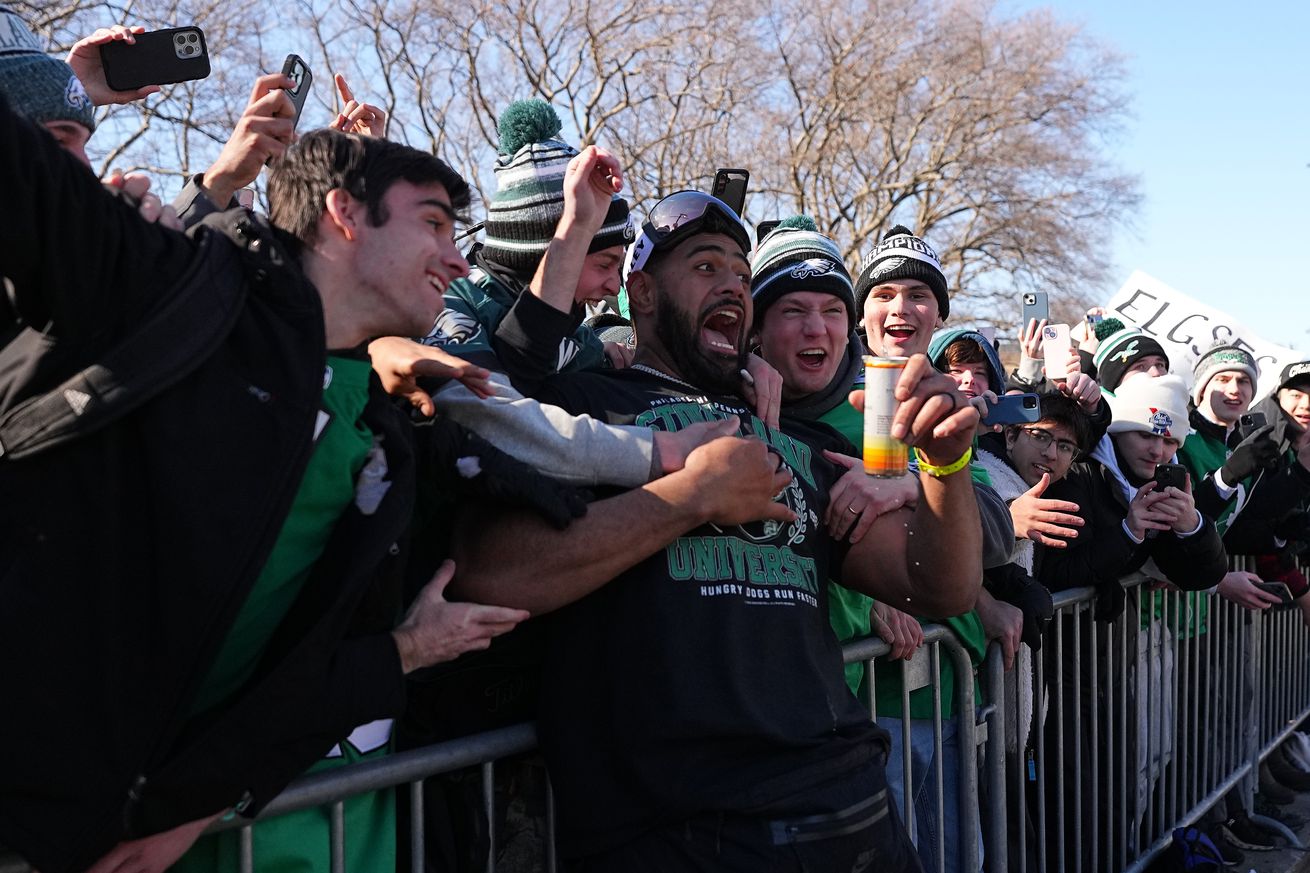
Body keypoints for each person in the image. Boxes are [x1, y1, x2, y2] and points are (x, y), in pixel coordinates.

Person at [0, 76, 566, 872]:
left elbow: (300, 673)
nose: (455, 255)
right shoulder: (171, 289)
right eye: (433, 222)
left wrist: (195, 800)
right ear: (342, 213)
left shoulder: (385, 439)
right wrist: (73, 83)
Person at [450, 191, 984, 872]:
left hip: (854, 809)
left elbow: (939, 585)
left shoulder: (792, 435)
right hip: (684, 831)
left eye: (739, 272)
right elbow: (489, 570)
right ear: (640, 293)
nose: (732, 283)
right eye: (705, 267)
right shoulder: (581, 414)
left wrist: (945, 467)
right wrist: (689, 497)